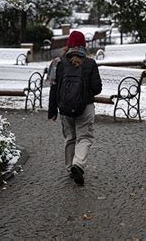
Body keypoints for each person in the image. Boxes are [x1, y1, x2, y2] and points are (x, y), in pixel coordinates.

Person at [48, 31, 102, 185]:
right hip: (85, 108)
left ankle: (70, 167)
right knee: (85, 137)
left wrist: (52, 112)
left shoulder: (57, 62)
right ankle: (78, 164)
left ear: (68, 44)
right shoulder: (90, 63)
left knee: (70, 138)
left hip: (64, 108)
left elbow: (53, 88)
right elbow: (97, 88)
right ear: (84, 45)